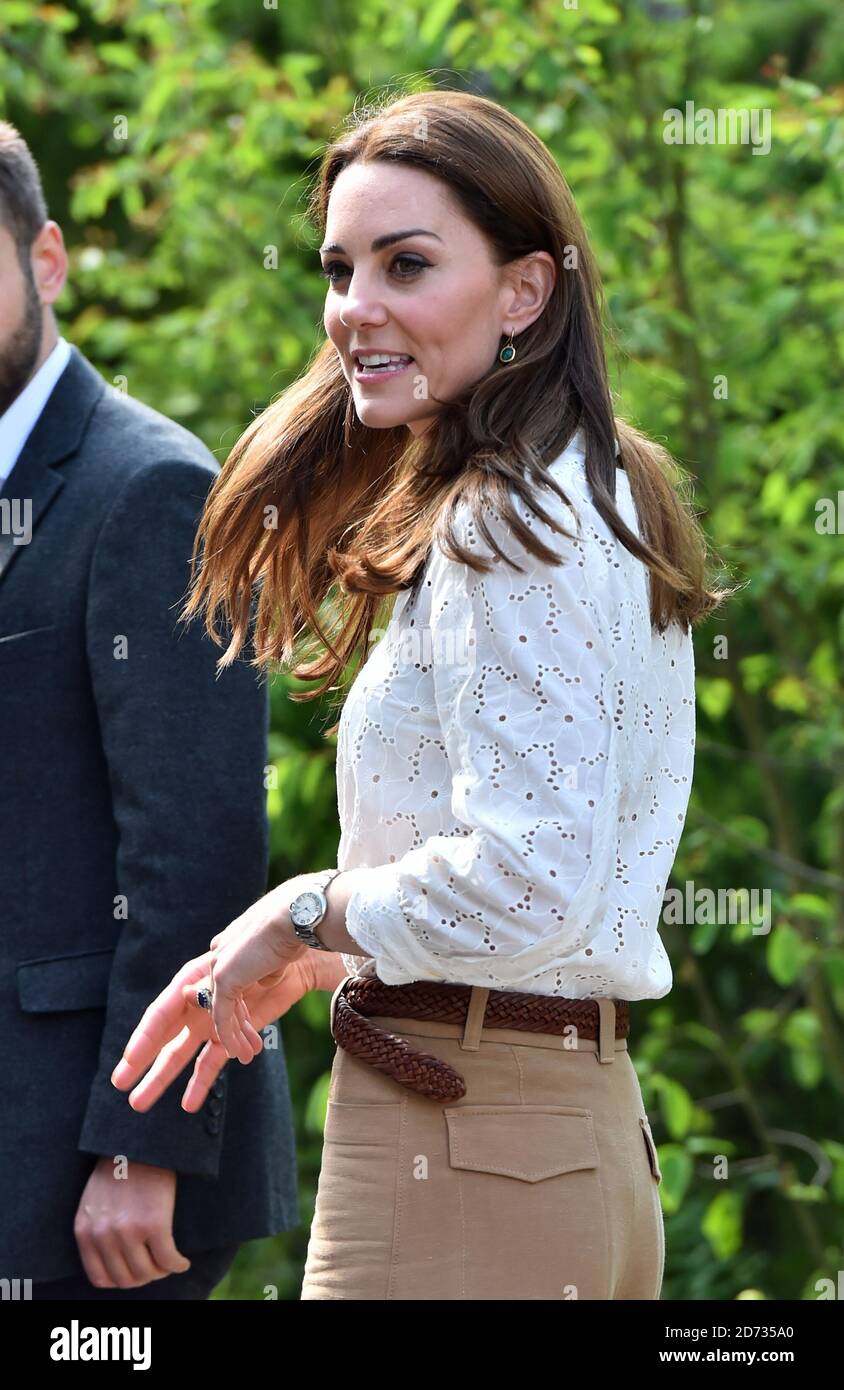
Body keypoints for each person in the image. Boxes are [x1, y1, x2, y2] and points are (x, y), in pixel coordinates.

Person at [111, 88, 731, 1300]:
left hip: (467, 1150)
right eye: (340, 269)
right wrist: (347, 950)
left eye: (407, 264)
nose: (355, 309)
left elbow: (530, 877)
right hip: (556, 1144)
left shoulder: (513, 518)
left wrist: (300, 913)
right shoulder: (589, 489)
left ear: (523, 292)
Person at [0, 120, 300, 1300]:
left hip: (92, 1162)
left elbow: (198, 850)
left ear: (49, 259)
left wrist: (145, 1142)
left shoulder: (150, 487)